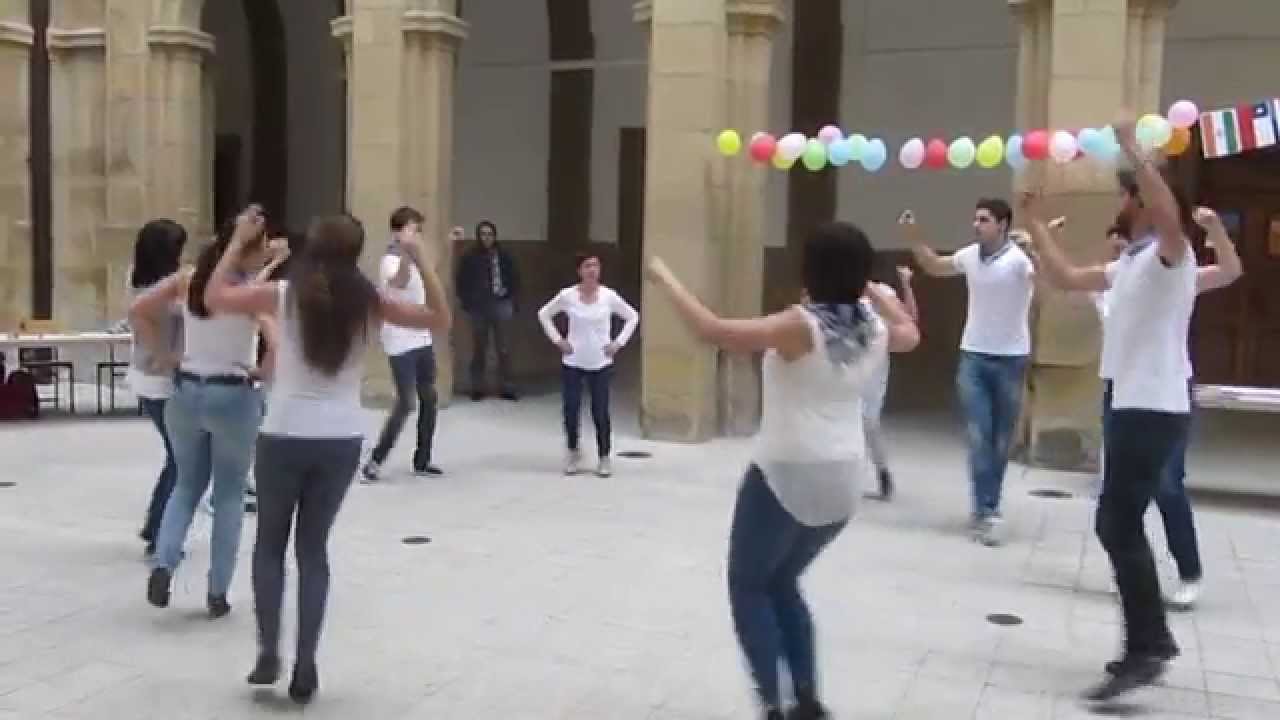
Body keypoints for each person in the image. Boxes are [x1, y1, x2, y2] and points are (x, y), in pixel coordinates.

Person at [646, 222, 920, 720]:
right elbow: (913, 333)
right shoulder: (874, 328)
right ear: (861, 276)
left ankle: (774, 705)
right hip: (843, 481)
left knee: (749, 585)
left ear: (810, 270)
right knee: (783, 582)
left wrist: (665, 279)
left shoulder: (801, 326)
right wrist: (882, 295)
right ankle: (808, 702)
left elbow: (713, 331)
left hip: (785, 473)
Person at [204, 212, 449, 704]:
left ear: (311, 247)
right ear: (356, 253)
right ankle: (307, 662)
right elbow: (439, 320)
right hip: (340, 439)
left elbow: (213, 298)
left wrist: (237, 242)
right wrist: (420, 255)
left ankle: (268, 650)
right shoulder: (369, 303)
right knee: (313, 551)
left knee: (269, 546)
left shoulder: (283, 295)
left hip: (283, 433)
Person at [1024, 115, 1198, 701]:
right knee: (1119, 521)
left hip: (1153, 405)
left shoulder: (1173, 257)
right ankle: (1151, 642)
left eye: (1131, 194)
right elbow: (1069, 277)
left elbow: (1169, 215)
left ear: (1144, 200)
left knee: (1117, 522)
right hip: (1130, 401)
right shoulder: (1131, 263)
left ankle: (1145, 648)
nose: (1126, 203)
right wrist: (1032, 225)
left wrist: (1134, 152)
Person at [1094, 206, 1242, 611]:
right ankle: (1133, 569)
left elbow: (1229, 271)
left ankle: (1189, 571)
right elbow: (1065, 279)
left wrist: (1213, 228)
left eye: (1128, 240)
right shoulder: (1112, 281)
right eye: (1117, 242)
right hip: (1119, 388)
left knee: (1166, 483)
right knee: (1121, 487)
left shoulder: (1172, 275)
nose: (1122, 247)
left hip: (1164, 390)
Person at [131, 208, 275, 619]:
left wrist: (165, 357)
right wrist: (262, 373)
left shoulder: (188, 279)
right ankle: (217, 590)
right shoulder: (250, 293)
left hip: (188, 388)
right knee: (229, 495)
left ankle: (164, 562)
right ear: (245, 251)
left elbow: (139, 310)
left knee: (186, 485)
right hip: (233, 394)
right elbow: (276, 341)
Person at [903, 199, 1035, 546]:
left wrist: (1039, 248)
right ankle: (985, 511)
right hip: (974, 356)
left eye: (985, 220)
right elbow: (934, 265)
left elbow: (1048, 282)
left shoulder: (1019, 261)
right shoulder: (970, 255)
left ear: (1003, 225)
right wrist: (914, 235)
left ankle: (989, 504)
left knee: (1001, 440)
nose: (976, 225)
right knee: (979, 435)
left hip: (1011, 358)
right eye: (975, 219)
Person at [361, 208, 460, 483]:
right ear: (398, 232)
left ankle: (422, 459)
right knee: (406, 402)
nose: (417, 235)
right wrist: (408, 252)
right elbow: (400, 281)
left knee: (429, 396)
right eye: (412, 229)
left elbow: (431, 269)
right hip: (398, 339)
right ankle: (375, 460)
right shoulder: (389, 260)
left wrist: (446, 244)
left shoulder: (416, 257)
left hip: (421, 336)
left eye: (418, 230)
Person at [536, 254, 639, 477]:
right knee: (571, 409)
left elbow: (632, 316)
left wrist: (618, 343)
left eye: (596, 266)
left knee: (600, 411)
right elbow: (544, 314)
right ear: (579, 271)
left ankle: (604, 456)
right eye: (587, 266)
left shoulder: (608, 296)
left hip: (600, 362)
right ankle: (573, 451)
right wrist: (558, 340)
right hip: (573, 361)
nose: (592, 270)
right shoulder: (568, 296)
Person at [126, 219, 188, 557]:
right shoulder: (169, 286)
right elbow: (146, 321)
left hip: (144, 376)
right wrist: (167, 357)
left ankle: (157, 524)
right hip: (163, 378)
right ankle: (160, 528)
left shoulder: (136, 279)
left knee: (176, 456)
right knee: (181, 459)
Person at [863, 265, 919, 500]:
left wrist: (905, 283)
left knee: (868, 422)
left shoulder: (880, 291)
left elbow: (909, 320)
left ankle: (883, 474)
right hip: (842, 360)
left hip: (873, 363)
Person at [457, 220, 520, 401]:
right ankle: (477, 387)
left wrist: (512, 298)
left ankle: (507, 386)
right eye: (483, 234)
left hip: (502, 302)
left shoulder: (504, 255)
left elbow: (514, 278)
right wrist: (467, 302)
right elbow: (462, 281)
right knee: (479, 347)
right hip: (479, 306)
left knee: (504, 348)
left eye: (490, 234)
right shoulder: (470, 257)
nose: (487, 238)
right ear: (478, 236)